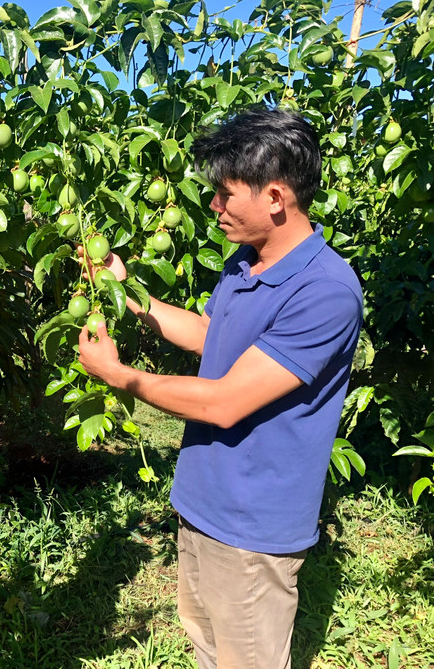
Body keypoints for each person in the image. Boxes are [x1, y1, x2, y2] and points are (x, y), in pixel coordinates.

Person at [77, 109, 363, 668]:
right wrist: (124, 291)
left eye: (225, 194)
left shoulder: (325, 291)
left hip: (252, 526)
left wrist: (119, 375)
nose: (214, 206)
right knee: (206, 644)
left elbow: (225, 402)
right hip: (203, 501)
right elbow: (212, 336)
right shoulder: (246, 262)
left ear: (275, 197)